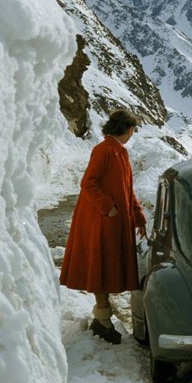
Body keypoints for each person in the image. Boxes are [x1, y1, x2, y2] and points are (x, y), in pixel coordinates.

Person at [59, 109, 147, 344]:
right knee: (101, 266)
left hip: (113, 220)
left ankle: (102, 319)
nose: (133, 133)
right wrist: (108, 207)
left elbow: (128, 190)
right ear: (127, 129)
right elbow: (88, 182)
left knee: (107, 266)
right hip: (102, 220)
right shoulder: (104, 150)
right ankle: (103, 320)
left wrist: (138, 217)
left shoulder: (120, 152)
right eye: (133, 129)